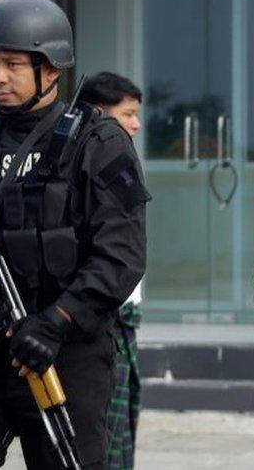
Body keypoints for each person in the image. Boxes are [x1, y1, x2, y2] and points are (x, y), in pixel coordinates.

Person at [0, 0, 149, 469]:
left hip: (67, 358)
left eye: (12, 64)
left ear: (51, 70)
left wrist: (57, 320)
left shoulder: (100, 143)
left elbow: (122, 255)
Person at [78, 72, 145, 470]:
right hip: (98, 318)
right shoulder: (80, 165)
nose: (136, 124)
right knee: (101, 436)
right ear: (98, 114)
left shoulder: (119, 159)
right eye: (128, 114)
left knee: (121, 430)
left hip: (124, 317)